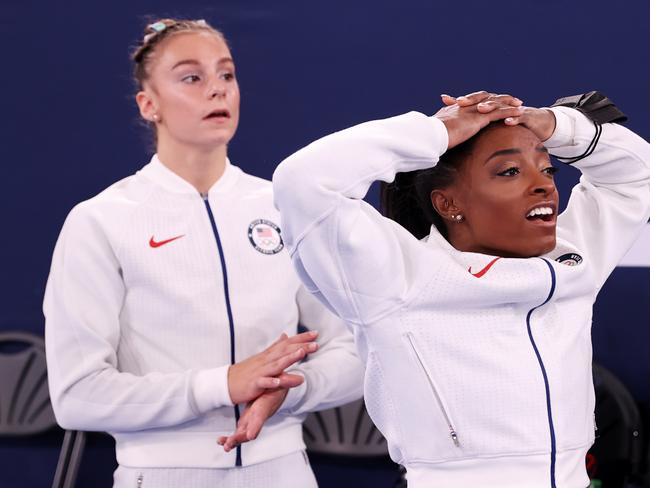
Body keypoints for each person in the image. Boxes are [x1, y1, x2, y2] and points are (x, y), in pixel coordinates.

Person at [43, 18, 363, 488]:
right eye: (192, 77)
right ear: (148, 104)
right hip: (160, 473)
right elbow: (76, 395)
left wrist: (292, 391)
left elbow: (356, 349)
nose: (217, 90)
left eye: (226, 74)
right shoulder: (100, 220)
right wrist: (222, 385)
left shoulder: (284, 205)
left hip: (285, 470)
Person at [272, 90, 650, 487]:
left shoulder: (571, 260)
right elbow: (304, 181)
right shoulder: (398, 276)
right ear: (448, 204)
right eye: (509, 172)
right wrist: (437, 132)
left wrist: (555, 125)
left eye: (547, 169)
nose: (544, 187)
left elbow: (636, 175)